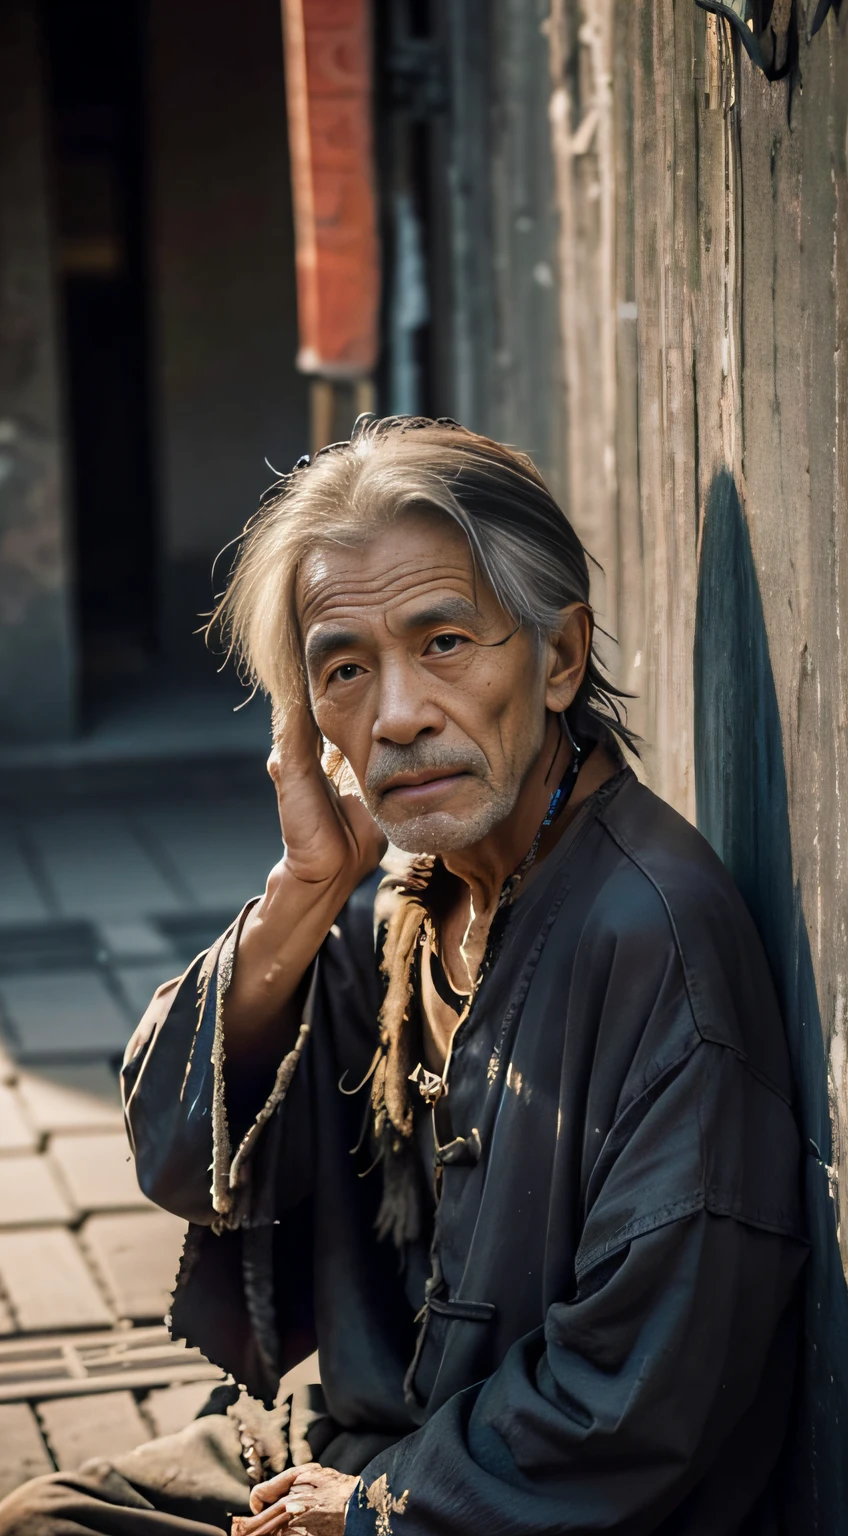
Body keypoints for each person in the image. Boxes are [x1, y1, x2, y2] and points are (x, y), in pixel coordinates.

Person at [0, 416, 806, 1536]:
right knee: (47, 1518)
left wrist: (382, 1508)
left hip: (513, 1506)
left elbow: (642, 1391)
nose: (396, 715)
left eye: (442, 644)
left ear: (558, 657)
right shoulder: (408, 899)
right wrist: (304, 886)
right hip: (369, 1444)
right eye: (343, 669)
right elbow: (183, 1156)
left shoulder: (652, 936)